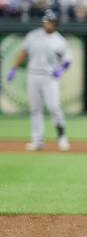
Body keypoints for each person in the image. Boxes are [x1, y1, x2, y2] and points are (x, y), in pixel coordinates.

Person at [5, 10, 71, 151]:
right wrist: (14, 69)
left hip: (50, 77)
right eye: (46, 21)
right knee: (35, 109)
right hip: (33, 74)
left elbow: (67, 61)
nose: (47, 23)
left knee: (54, 107)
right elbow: (23, 52)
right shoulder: (33, 35)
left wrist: (61, 70)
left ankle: (62, 137)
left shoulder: (60, 41)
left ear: (55, 23)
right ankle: (37, 141)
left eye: (50, 21)